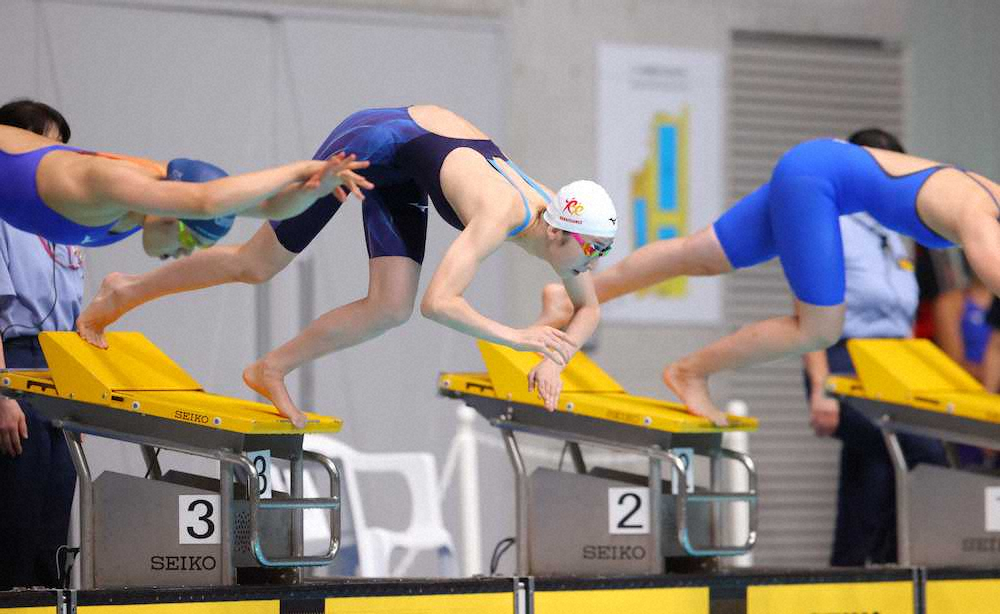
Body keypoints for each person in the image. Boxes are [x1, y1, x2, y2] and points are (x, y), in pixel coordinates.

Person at [77, 105, 618, 427]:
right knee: (257, 263)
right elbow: (441, 304)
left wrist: (557, 358)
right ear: (558, 231)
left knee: (388, 308)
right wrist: (522, 339)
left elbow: (588, 308)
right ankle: (125, 289)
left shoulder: (560, 225)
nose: (589, 265)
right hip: (377, 139)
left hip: (411, 168)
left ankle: (269, 369)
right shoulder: (500, 214)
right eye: (589, 251)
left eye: (599, 254)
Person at [540, 134, 1000, 425]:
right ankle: (689, 371)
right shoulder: (981, 217)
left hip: (814, 165)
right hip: (817, 183)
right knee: (820, 328)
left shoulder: (988, 200)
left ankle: (569, 295)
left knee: (698, 255)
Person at [801, 128, 946, 567]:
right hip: (844, 359)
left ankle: (858, 573)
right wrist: (821, 387)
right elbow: (806, 310)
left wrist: (923, 384)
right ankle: (887, 564)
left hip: (895, 364)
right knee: (920, 451)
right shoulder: (831, 223)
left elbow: (903, 319)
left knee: (874, 467)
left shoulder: (898, 232)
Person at [0, 99, 372, 255]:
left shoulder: (162, 187)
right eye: (187, 238)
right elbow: (206, 201)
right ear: (171, 211)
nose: (183, 253)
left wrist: (317, 188)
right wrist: (300, 167)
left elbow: (271, 206)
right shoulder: (107, 183)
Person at [0, 106, 85, 590]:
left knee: (55, 522)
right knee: (18, 514)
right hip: (16, 360)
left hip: (62, 366)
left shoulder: (66, 223)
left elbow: (76, 316)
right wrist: (2, 393)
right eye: (48, 145)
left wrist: (82, 398)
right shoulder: (3, 213)